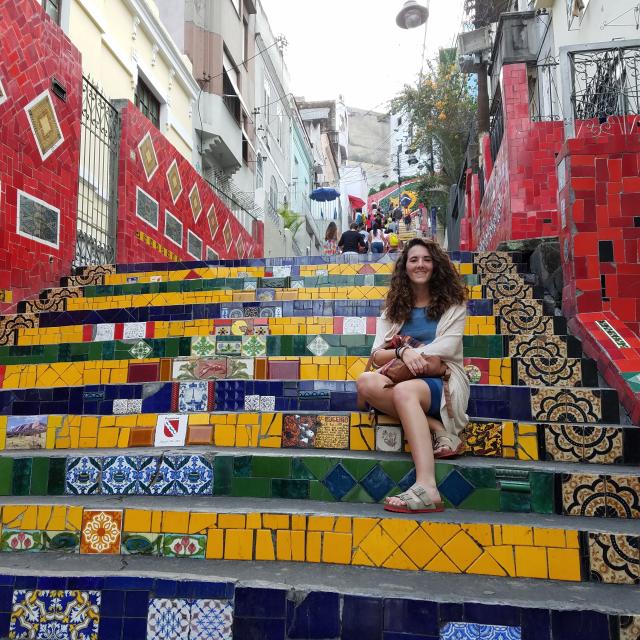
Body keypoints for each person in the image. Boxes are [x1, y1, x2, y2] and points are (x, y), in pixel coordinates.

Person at [356, 238, 470, 513]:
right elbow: (376, 355)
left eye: (427, 259)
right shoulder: (393, 310)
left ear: (436, 265)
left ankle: (427, 487)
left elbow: (447, 349)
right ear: (405, 267)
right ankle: (439, 430)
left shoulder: (454, 305)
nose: (420, 264)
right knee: (365, 380)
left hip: (441, 382)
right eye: (414, 259)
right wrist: (403, 354)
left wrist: (403, 352)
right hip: (404, 379)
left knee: (404, 391)